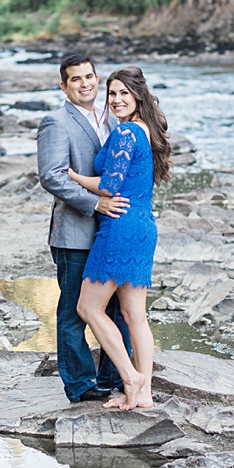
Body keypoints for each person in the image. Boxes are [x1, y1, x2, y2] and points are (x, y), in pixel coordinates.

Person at [66, 67, 170, 411]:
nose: (117, 100)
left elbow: (110, 186)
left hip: (121, 226)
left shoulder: (126, 132)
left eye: (124, 93)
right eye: (112, 94)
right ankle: (144, 394)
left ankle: (131, 377)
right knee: (134, 314)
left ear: (138, 96)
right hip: (143, 225)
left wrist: (74, 175)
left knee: (87, 307)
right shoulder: (146, 130)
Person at [35, 54, 132, 404]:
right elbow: (51, 175)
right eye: (76, 79)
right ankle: (79, 384)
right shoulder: (55, 122)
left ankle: (111, 376)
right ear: (64, 86)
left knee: (117, 309)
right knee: (75, 311)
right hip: (74, 234)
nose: (85, 83)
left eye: (89, 76)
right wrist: (96, 204)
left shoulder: (113, 117)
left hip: (113, 232)